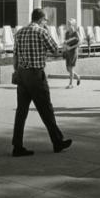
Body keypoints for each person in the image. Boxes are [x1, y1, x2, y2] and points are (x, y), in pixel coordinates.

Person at [11, 8, 72, 157]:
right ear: (40, 19)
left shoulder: (19, 32)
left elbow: (15, 56)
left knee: (21, 112)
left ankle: (17, 146)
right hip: (36, 76)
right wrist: (64, 47)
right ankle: (57, 142)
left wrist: (18, 71)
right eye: (45, 20)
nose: (46, 23)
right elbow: (55, 50)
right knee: (46, 109)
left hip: (22, 75)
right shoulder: (42, 32)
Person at [62, 18, 81, 88]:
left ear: (73, 25)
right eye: (68, 24)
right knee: (68, 69)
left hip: (73, 53)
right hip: (67, 52)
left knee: (71, 68)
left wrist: (71, 47)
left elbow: (79, 43)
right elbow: (66, 41)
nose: (68, 25)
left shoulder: (76, 33)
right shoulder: (66, 33)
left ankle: (71, 84)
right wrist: (64, 47)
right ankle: (78, 77)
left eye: (70, 24)